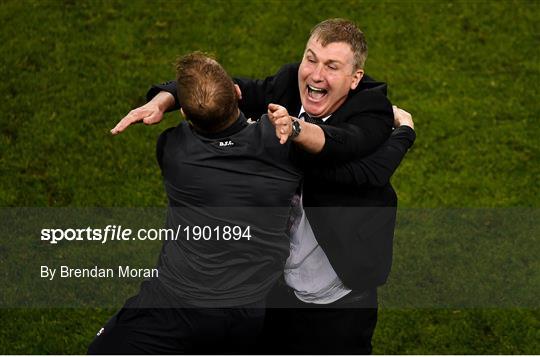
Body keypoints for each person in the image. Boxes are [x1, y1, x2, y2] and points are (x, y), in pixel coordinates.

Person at [111, 19, 416, 354]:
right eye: (310, 59)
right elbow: (227, 89)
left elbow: (363, 164)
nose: (315, 75)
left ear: (355, 78)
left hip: (338, 295)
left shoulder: (372, 110)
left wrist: (403, 133)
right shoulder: (286, 83)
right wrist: (165, 97)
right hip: (276, 288)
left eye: (331, 66)